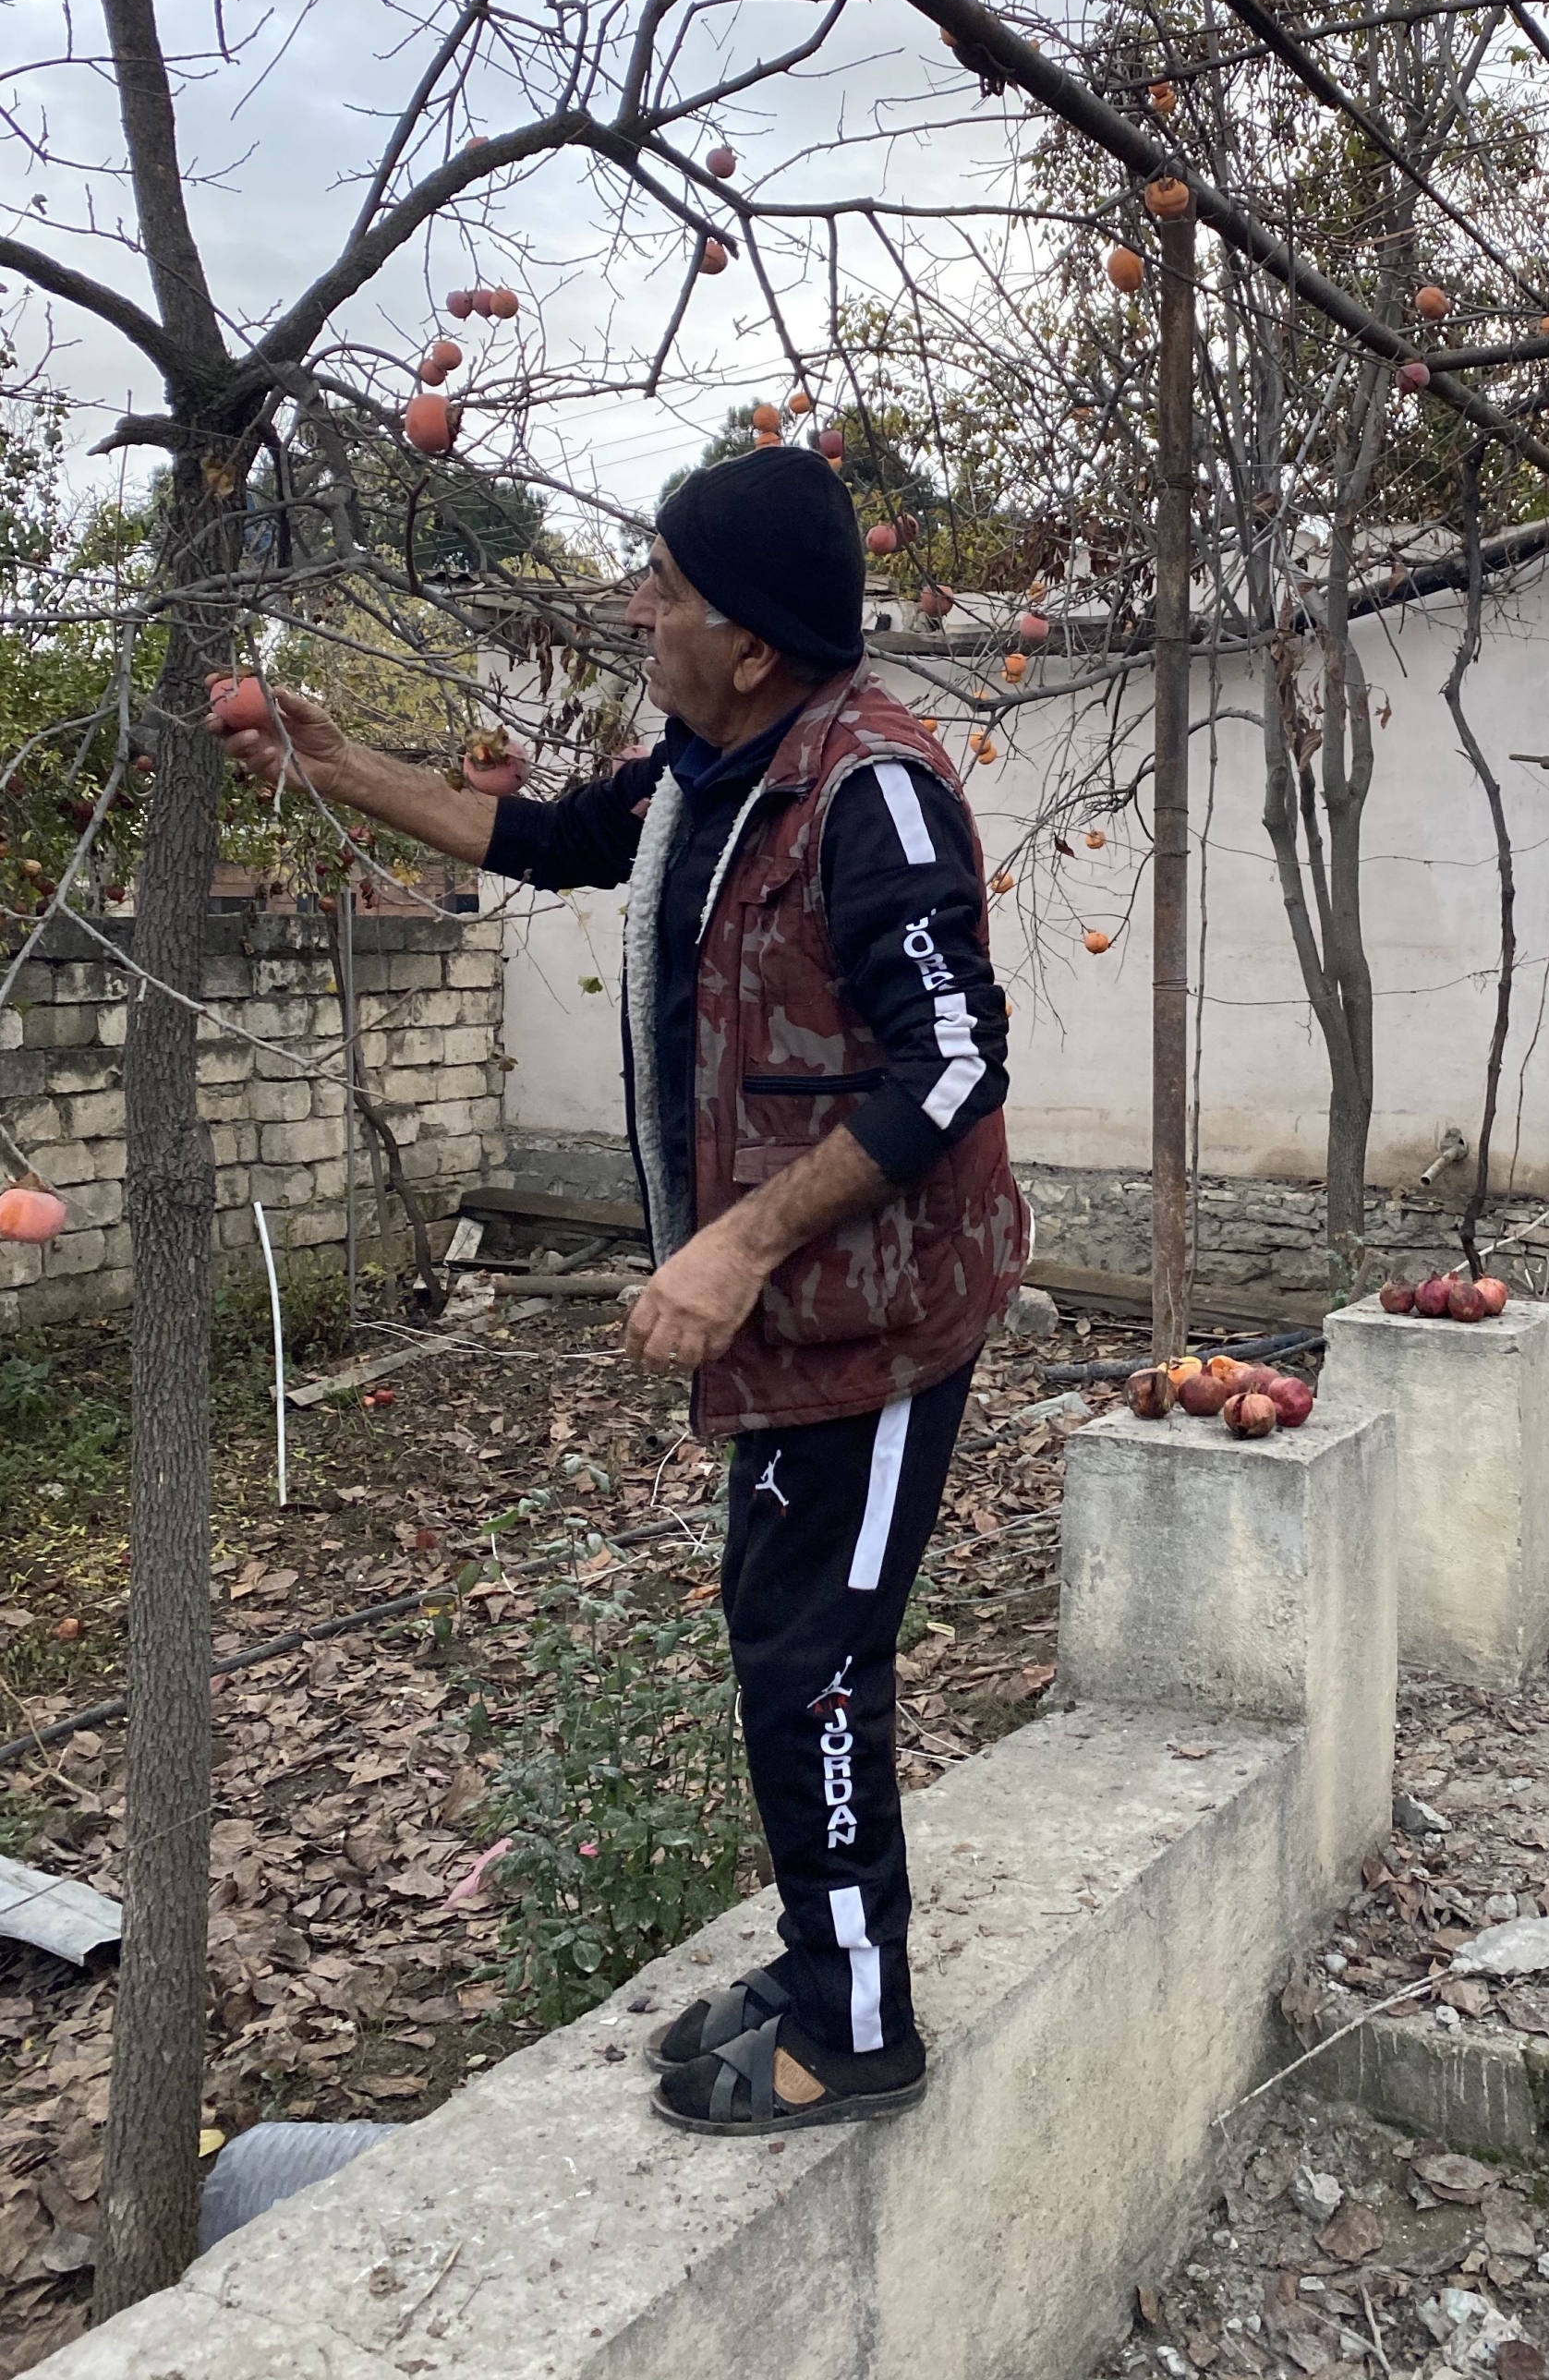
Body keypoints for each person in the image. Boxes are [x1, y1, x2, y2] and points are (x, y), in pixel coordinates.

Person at [210, 443, 1028, 2134]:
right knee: (777, 1637)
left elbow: (951, 1063)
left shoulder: (869, 788)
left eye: (661, 588)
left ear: (749, 640)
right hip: (797, 1326)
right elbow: (553, 835)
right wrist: (337, 758)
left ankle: (859, 2026)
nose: (634, 609)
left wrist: (732, 1246)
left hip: (872, 1322)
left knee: (817, 1659)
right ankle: (821, 1964)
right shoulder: (709, 770)